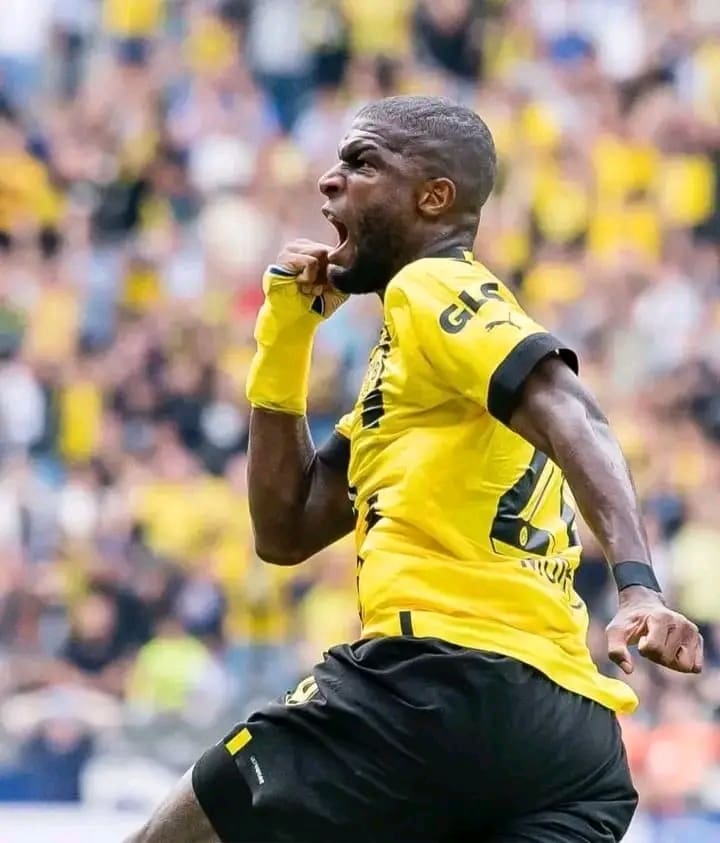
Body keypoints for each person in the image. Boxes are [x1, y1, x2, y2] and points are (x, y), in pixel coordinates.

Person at [128, 95, 704, 843]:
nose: (329, 180)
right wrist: (286, 337)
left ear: (434, 198)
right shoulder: (416, 377)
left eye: (362, 163)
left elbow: (573, 410)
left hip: (433, 685)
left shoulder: (431, 286)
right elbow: (286, 528)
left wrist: (638, 587)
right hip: (570, 751)